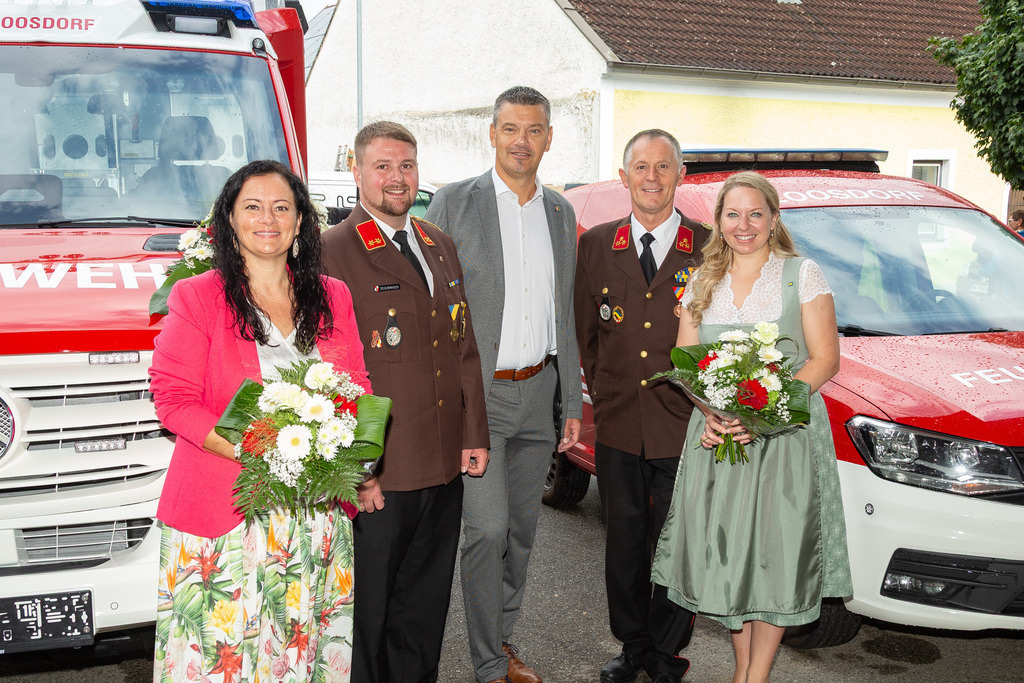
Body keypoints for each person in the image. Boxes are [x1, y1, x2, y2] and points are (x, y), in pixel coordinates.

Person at [150, 159, 367, 682]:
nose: (267, 218)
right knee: (225, 661)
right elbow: (173, 399)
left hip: (315, 521)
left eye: (281, 207)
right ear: (229, 220)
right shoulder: (197, 295)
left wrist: (352, 449)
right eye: (252, 206)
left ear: (299, 223)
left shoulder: (332, 294)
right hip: (224, 519)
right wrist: (256, 448)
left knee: (300, 656)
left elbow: (358, 386)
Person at [651, 171, 853, 683]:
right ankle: (743, 672)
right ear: (718, 220)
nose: (745, 225)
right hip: (720, 443)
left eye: (755, 214)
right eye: (733, 214)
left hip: (783, 439)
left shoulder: (800, 274)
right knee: (734, 562)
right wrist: (709, 413)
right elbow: (687, 364)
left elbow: (824, 361)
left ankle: (755, 676)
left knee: (774, 559)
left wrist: (760, 418)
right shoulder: (703, 280)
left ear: (773, 219)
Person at [321, 121, 490, 683]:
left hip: (442, 462)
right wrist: (355, 470)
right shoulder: (331, 251)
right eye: (383, 166)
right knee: (367, 614)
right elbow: (329, 377)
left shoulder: (439, 243)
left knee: (423, 611)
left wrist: (475, 433)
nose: (398, 178)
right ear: (358, 172)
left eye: (407, 166)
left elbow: (463, 346)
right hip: (382, 472)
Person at [425, 86, 582, 683]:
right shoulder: (453, 203)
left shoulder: (561, 213)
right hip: (478, 395)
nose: (522, 140)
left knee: (520, 532)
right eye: (511, 128)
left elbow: (562, 310)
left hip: (540, 390)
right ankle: (489, 663)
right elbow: (430, 301)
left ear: (547, 137)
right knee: (485, 531)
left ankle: (503, 639)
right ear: (491, 134)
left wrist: (568, 395)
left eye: (534, 129)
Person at [574, 129, 710, 683]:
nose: (651, 178)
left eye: (663, 167)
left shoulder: (708, 246)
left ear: (680, 176)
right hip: (621, 423)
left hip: (683, 424)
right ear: (623, 175)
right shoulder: (596, 244)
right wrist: (604, 395)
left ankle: (668, 651)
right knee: (624, 540)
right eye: (640, 167)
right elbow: (587, 334)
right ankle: (633, 645)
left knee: (676, 540)